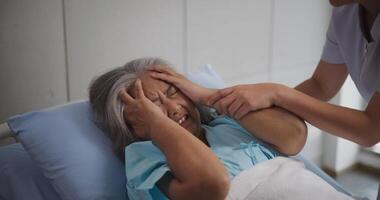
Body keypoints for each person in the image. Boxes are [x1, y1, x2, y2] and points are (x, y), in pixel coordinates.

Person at [88, 57, 307, 200]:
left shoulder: (226, 124)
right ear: (132, 125)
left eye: (174, 93)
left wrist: (208, 96)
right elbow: (212, 185)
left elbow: (294, 137)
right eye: (153, 107)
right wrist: (157, 123)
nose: (173, 108)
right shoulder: (146, 163)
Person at [206, 0, 380, 147]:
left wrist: (277, 94)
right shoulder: (344, 13)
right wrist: (264, 109)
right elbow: (321, 85)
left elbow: (370, 129)